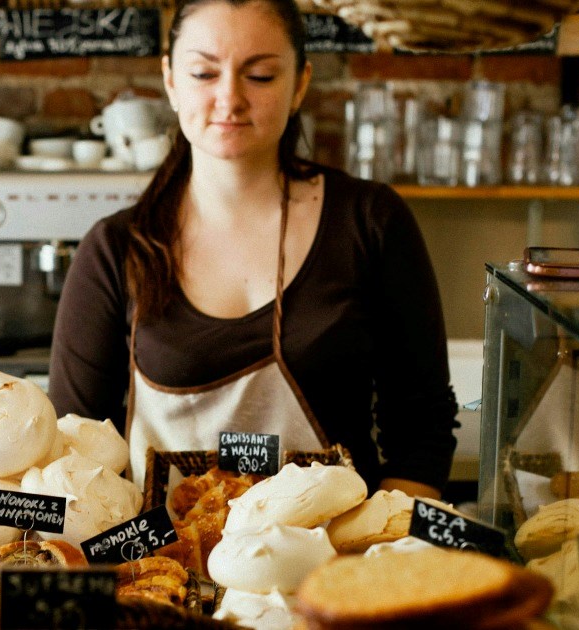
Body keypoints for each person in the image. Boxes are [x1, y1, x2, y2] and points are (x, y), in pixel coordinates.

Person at [47, 0, 458, 498]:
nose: (229, 99)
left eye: (260, 76)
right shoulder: (116, 250)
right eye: (203, 73)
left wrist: (379, 553)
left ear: (300, 84)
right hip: (157, 570)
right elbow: (72, 453)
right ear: (171, 81)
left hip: (329, 563)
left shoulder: (370, 221)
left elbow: (422, 426)